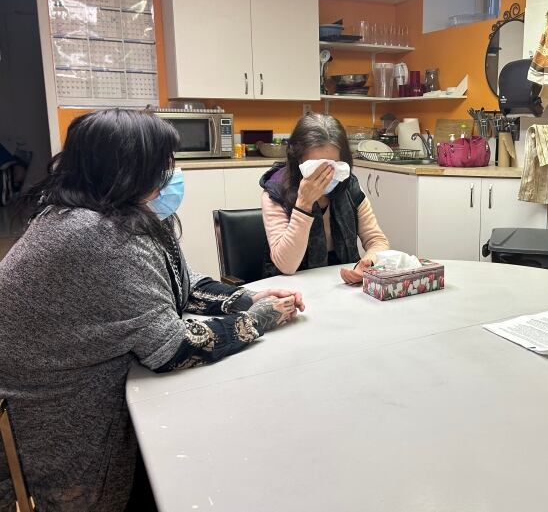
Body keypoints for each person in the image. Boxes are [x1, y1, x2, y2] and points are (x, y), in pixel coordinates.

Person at [0, 109, 305, 512]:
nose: (171, 173)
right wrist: (260, 320)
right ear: (126, 169)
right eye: (162, 163)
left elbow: (184, 284)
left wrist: (246, 299)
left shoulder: (107, 214)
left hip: (78, 386)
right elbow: (172, 350)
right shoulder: (97, 237)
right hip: (60, 418)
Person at [260, 113, 389, 283]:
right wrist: (303, 205)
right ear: (297, 160)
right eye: (315, 167)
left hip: (343, 284)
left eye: (333, 165)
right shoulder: (276, 191)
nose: (326, 175)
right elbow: (286, 265)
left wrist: (368, 262)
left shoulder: (349, 186)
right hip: (290, 288)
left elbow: (377, 240)